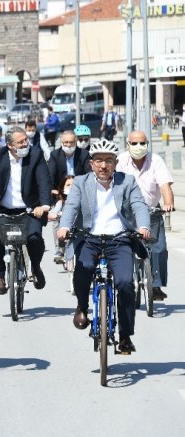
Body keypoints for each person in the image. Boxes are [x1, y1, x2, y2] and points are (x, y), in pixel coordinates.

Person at [57, 139, 150, 353]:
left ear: (116, 163)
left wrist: (143, 225)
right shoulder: (81, 182)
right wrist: (64, 228)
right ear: (91, 164)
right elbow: (71, 207)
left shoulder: (127, 181)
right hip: (89, 237)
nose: (103, 166)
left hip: (119, 239)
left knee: (126, 283)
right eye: (98, 161)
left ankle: (125, 335)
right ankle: (82, 306)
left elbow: (138, 205)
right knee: (84, 269)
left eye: (108, 161)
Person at [0, 126, 53, 294]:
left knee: (34, 239)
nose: (25, 144)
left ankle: (35, 268)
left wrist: (44, 205)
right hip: (3, 209)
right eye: (20, 142)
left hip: (30, 209)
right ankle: (0, 278)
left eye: (26, 140)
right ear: (9, 145)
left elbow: (44, 181)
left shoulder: (35, 155)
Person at [116, 130, 175, 301]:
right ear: (128, 144)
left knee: (160, 248)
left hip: (151, 210)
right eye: (134, 143)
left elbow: (164, 186)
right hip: (128, 212)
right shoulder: (121, 161)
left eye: (142, 143)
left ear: (147, 144)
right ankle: (127, 281)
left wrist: (168, 203)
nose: (138, 147)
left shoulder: (155, 160)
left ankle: (156, 286)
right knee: (126, 248)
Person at [48, 175, 75, 264]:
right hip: (65, 226)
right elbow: (55, 210)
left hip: (78, 226)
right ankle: (59, 249)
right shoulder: (61, 202)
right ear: (63, 188)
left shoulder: (82, 199)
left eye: (73, 185)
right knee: (56, 222)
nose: (71, 187)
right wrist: (54, 214)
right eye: (68, 185)